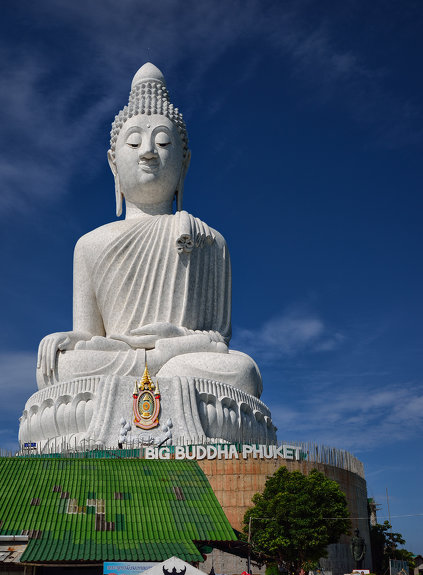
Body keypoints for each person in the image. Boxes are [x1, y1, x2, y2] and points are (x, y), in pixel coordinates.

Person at [36, 63, 262, 399]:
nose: (148, 152)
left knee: (242, 372)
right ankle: (164, 376)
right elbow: (90, 335)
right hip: (121, 360)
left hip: (182, 358)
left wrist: (172, 339)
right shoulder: (89, 245)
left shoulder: (210, 241)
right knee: (61, 366)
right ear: (114, 162)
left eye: (162, 142)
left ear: (184, 162)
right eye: (135, 142)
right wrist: (70, 340)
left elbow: (217, 341)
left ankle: (163, 373)